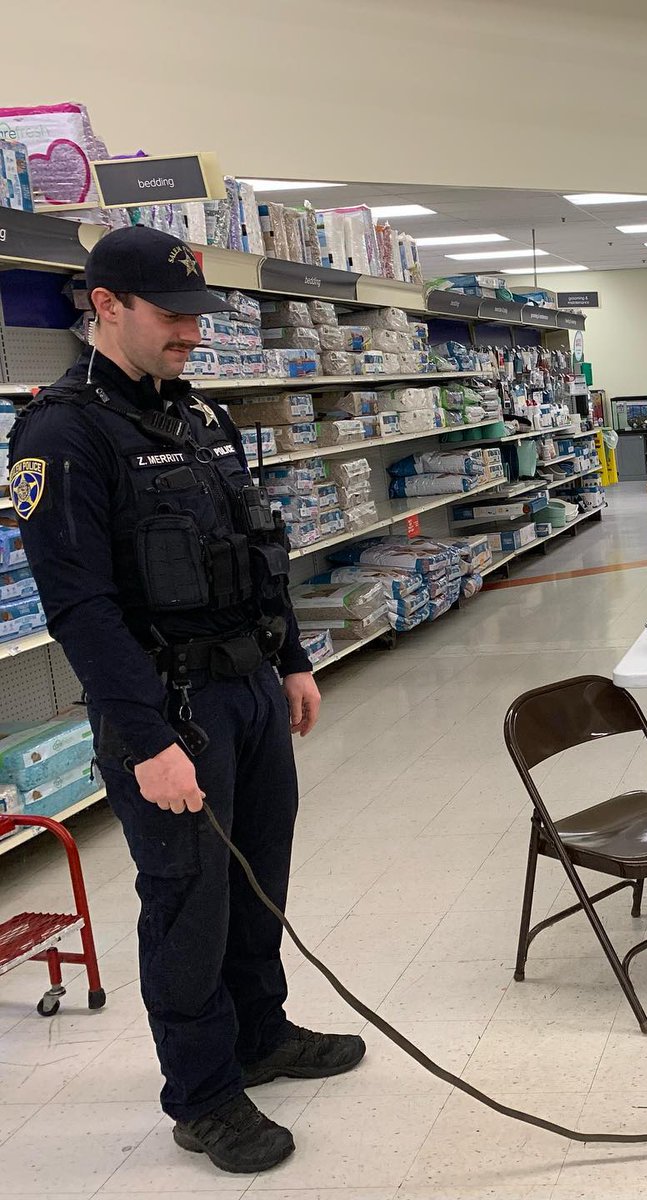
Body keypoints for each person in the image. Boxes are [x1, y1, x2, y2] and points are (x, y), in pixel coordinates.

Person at [8, 226, 364, 1174]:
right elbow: (80, 608)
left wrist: (292, 657)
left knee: (258, 878)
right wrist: (145, 740)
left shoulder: (202, 416)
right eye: (171, 316)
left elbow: (258, 546)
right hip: (169, 709)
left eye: (197, 316)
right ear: (106, 306)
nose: (191, 334)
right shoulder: (61, 433)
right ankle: (203, 1094)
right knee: (188, 900)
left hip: (250, 688)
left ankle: (260, 1035)